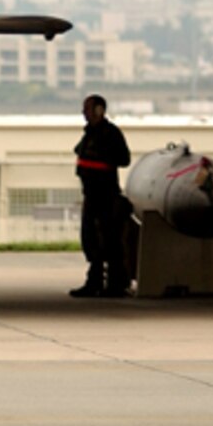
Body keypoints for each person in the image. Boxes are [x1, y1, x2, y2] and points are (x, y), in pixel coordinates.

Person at [72, 93, 133, 298]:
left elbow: (124, 159)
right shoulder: (90, 133)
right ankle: (94, 281)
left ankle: (116, 284)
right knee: (91, 240)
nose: (84, 113)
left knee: (111, 241)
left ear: (99, 110)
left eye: (88, 109)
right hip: (91, 195)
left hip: (106, 196)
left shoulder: (111, 133)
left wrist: (102, 157)